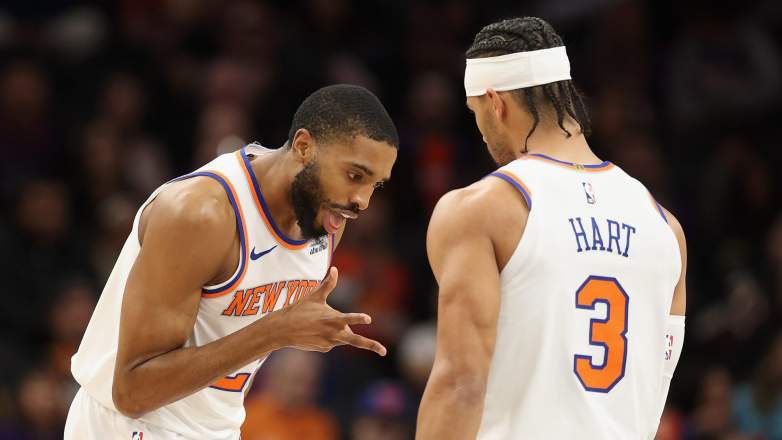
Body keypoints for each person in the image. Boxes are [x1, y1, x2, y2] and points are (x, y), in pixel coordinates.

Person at [64, 84, 397, 439]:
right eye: (354, 176)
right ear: (303, 147)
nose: (362, 201)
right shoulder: (200, 213)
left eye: (375, 185)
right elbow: (132, 391)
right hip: (130, 425)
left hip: (218, 428)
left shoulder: (326, 221)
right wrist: (277, 332)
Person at [416, 17, 686, 439]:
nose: (481, 132)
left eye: (476, 114)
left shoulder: (483, 208)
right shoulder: (666, 227)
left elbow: (461, 385)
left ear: (496, 103)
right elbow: (654, 384)